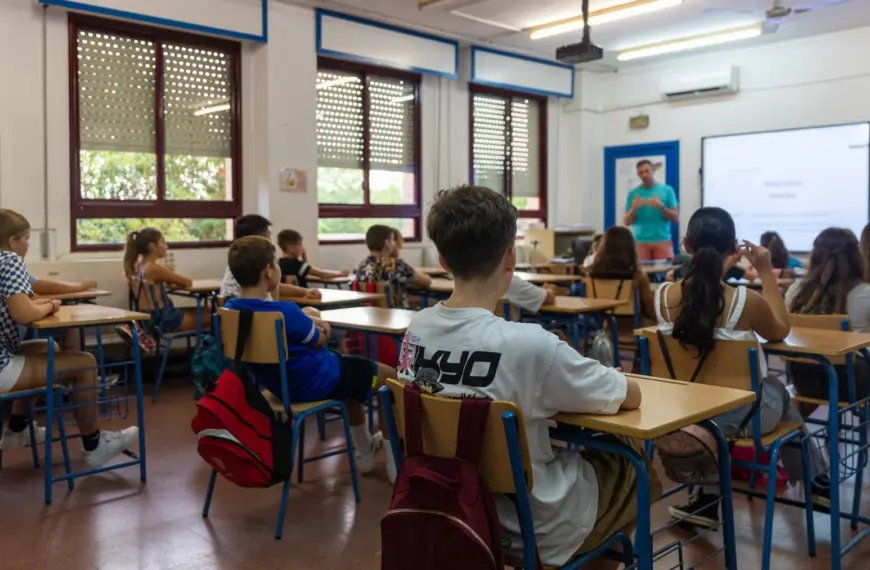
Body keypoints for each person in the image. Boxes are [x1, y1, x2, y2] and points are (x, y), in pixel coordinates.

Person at [397, 185, 657, 569]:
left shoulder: (416, 330)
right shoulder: (532, 346)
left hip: (448, 511)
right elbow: (628, 395)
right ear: (510, 258)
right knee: (638, 468)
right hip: (535, 527)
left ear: (442, 258)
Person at [655, 207, 829, 527]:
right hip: (743, 421)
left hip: (682, 416)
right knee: (777, 389)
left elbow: (703, 297)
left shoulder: (661, 297)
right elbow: (780, 330)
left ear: (685, 245)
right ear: (734, 249)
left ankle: (707, 500)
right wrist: (764, 272)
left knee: (719, 407)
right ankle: (818, 482)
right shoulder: (745, 301)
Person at [224, 236, 394, 473]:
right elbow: (320, 340)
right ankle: (395, 466)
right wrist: (321, 325)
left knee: (355, 385)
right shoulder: (286, 312)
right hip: (318, 381)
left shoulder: (231, 309)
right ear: (268, 273)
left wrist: (305, 319)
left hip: (279, 388)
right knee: (390, 381)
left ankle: (365, 452)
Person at [0, 209, 138, 462]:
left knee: (47, 348)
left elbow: (20, 301)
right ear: (12, 242)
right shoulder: (10, 260)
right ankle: (94, 446)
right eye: (27, 239)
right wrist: (50, 306)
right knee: (85, 363)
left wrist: (37, 303)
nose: (28, 244)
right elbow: (22, 312)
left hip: (4, 355)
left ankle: (16, 431)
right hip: (2, 366)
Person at [785, 228, 870, 402]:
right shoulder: (864, 294)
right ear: (856, 256)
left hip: (803, 380)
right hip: (851, 384)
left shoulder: (795, 291)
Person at [124, 228, 212, 333]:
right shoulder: (153, 268)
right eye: (163, 242)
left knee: (207, 311)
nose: (167, 246)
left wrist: (167, 274)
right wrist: (169, 272)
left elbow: (164, 283)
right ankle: (215, 346)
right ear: (153, 247)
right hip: (164, 320)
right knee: (215, 314)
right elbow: (187, 282)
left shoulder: (139, 266)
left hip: (149, 319)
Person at [219, 214, 319, 301]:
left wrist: (305, 291)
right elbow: (275, 293)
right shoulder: (253, 266)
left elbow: (277, 287)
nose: (271, 241)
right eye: (268, 236)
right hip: (262, 319)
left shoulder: (237, 264)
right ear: (257, 240)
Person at [589, 226, 655, 323]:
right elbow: (650, 309)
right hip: (635, 327)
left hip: (606, 327)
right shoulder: (638, 277)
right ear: (630, 248)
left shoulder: (592, 276)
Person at [356, 225, 431, 309]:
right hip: (396, 316)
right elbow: (426, 282)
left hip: (368, 317)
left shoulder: (362, 266)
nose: (394, 243)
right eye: (392, 239)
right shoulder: (394, 265)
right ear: (387, 242)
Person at [623, 160, 678, 262]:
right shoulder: (633, 194)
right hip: (640, 242)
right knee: (641, 275)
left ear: (653, 171)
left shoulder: (667, 190)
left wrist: (661, 207)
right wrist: (633, 208)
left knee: (665, 275)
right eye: (641, 172)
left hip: (662, 240)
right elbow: (626, 222)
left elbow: (675, 218)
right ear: (638, 174)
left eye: (647, 171)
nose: (644, 175)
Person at [276, 229, 349, 288]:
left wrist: (304, 256)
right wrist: (340, 274)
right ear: (290, 248)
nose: (302, 248)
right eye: (300, 245)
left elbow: (305, 271)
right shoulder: (295, 264)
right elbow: (322, 274)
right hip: (302, 300)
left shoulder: (280, 262)